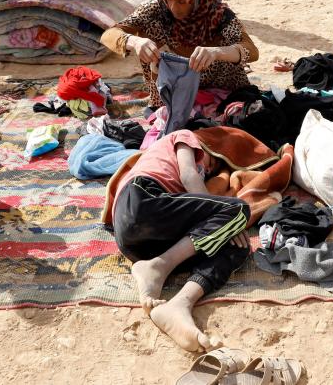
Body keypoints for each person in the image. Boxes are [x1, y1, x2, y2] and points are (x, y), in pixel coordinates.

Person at [107, 129, 250, 352]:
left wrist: (223, 227)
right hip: (142, 200)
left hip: (143, 244)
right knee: (239, 209)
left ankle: (180, 303)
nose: (209, 168)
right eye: (212, 161)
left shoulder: (184, 196)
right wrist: (225, 215)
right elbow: (189, 175)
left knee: (236, 246)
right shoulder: (183, 136)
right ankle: (159, 267)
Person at [100, 0, 257, 106]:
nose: (174, 8)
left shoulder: (220, 17)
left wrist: (216, 52)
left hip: (220, 99)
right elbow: (109, 35)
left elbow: (252, 51)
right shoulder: (155, 11)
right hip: (168, 101)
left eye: (182, 1)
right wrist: (135, 41)